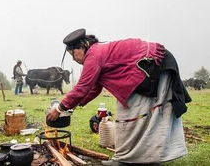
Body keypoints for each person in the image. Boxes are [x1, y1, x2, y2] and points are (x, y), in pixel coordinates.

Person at [47, 29, 191, 166]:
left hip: (154, 65)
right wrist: (76, 104)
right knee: (132, 115)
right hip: (146, 68)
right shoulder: (96, 52)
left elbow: (82, 86)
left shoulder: (94, 54)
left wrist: (59, 108)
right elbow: (95, 87)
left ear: (83, 46)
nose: (74, 59)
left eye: (74, 54)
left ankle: (127, 159)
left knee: (136, 115)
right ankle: (135, 158)